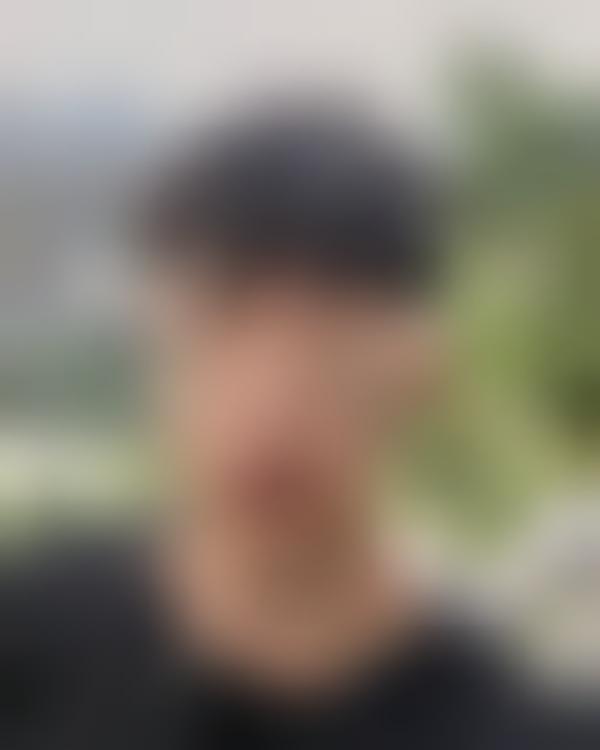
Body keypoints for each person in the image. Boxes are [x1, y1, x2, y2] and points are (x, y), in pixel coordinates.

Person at [2, 100, 592, 749]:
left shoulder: (524, 732)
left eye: (324, 343)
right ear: (154, 350)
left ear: (421, 365)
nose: (271, 403)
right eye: (224, 324)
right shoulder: (33, 642)